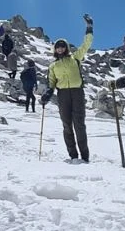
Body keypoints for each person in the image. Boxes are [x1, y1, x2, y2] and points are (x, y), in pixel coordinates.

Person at [40, 14, 94, 162]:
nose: (60, 48)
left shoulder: (75, 58)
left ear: (67, 48)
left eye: (63, 46)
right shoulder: (53, 66)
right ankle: (73, 155)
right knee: (66, 125)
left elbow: (86, 44)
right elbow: (51, 82)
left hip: (77, 93)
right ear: (55, 49)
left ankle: (85, 156)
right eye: (58, 47)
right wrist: (47, 93)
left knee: (79, 125)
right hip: (63, 95)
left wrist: (89, 27)